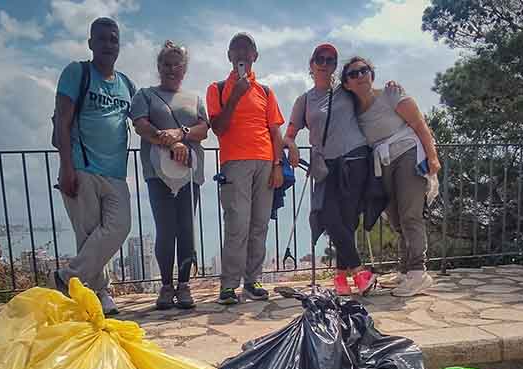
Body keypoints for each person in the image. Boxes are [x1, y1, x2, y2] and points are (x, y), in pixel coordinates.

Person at [49, 17, 136, 316]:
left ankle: (65, 279)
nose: (108, 44)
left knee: (119, 226)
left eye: (114, 39)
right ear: (90, 43)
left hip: (116, 172)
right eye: (102, 38)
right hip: (81, 166)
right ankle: (100, 292)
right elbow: (62, 121)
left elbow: (142, 118)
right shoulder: (77, 72)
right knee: (88, 234)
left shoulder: (126, 84)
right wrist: (66, 167)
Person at [341, 57, 441, 297]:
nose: (360, 76)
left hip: (408, 153)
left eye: (364, 70)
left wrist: (432, 157)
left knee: (410, 214)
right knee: (396, 218)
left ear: (371, 73)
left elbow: (419, 123)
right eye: (353, 74)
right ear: (347, 84)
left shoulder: (390, 94)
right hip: (383, 163)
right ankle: (406, 271)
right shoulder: (353, 111)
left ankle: (418, 272)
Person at [284, 43, 377, 296]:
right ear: (312, 64)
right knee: (328, 215)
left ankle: (341, 278)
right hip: (327, 166)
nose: (325, 64)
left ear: (335, 66)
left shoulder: (346, 91)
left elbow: (369, 95)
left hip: (356, 158)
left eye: (330, 60)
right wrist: (292, 147)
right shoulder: (304, 100)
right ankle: (358, 271)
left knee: (348, 219)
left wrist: (392, 91)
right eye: (320, 59)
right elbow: (289, 134)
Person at [206, 32, 285, 305]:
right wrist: (236, 95)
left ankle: (252, 281)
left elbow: (275, 131)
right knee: (237, 224)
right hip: (234, 163)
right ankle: (229, 286)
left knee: (259, 224)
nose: (241, 54)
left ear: (255, 56)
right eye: (236, 49)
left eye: (247, 49)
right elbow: (218, 128)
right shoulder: (217, 88)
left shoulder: (266, 91)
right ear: (229, 56)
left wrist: (277, 165)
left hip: (265, 162)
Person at [131, 41, 210, 310]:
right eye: (167, 64)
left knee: (186, 229)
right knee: (165, 229)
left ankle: (184, 285)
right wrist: (173, 143)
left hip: (189, 173)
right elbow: (141, 125)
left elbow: (203, 130)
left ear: (184, 69)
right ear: (159, 66)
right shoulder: (146, 95)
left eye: (177, 64)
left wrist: (181, 134)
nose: (172, 69)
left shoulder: (195, 99)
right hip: (158, 172)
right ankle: (166, 285)